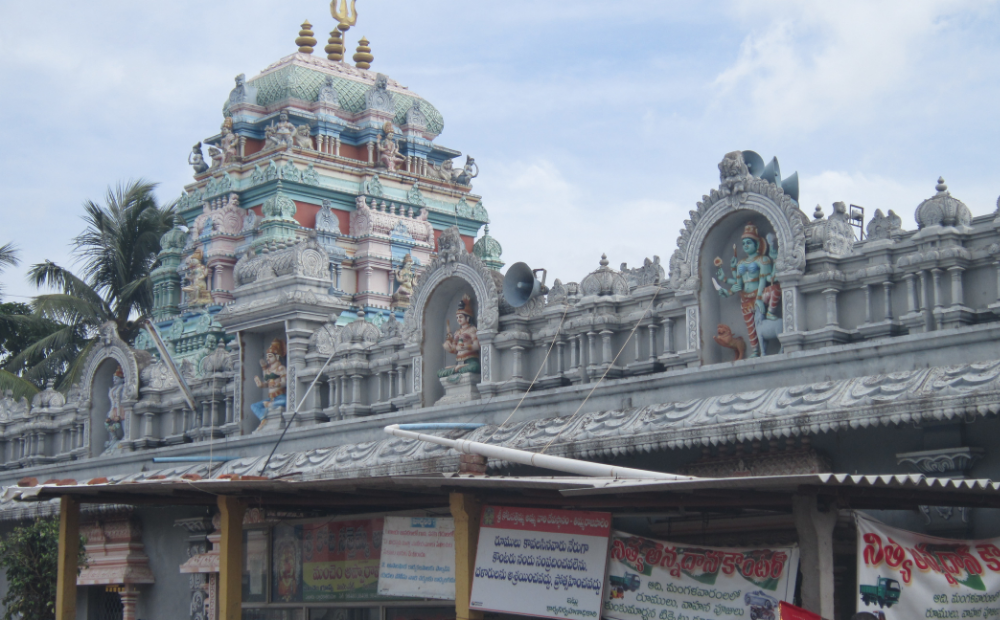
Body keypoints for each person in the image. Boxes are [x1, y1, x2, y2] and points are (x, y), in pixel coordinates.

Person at [715, 222, 781, 358]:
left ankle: (770, 314)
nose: (745, 245)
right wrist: (727, 288)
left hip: (760, 295)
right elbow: (739, 284)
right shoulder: (740, 263)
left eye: (749, 243)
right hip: (746, 298)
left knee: (774, 290)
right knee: (751, 328)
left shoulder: (763, 260)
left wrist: (759, 299)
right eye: (744, 243)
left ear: (757, 245)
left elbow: (765, 279)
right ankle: (755, 351)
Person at [438, 295, 481, 377]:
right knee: (440, 372)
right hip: (459, 362)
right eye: (457, 317)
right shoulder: (457, 332)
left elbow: (477, 345)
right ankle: (457, 368)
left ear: (467, 318)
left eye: (461, 317)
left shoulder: (472, 329)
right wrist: (449, 348)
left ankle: (457, 369)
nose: (458, 319)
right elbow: (455, 349)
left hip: (470, 361)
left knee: (474, 368)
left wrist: (466, 347)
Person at [251, 339, 287, 430]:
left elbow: (285, 382)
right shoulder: (268, 370)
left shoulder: (281, 368)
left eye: (270, 356)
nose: (267, 359)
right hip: (271, 398)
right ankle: (263, 418)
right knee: (254, 406)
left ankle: (270, 406)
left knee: (286, 402)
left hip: (280, 396)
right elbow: (267, 384)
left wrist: (277, 384)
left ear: (277, 356)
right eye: (267, 357)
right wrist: (261, 384)